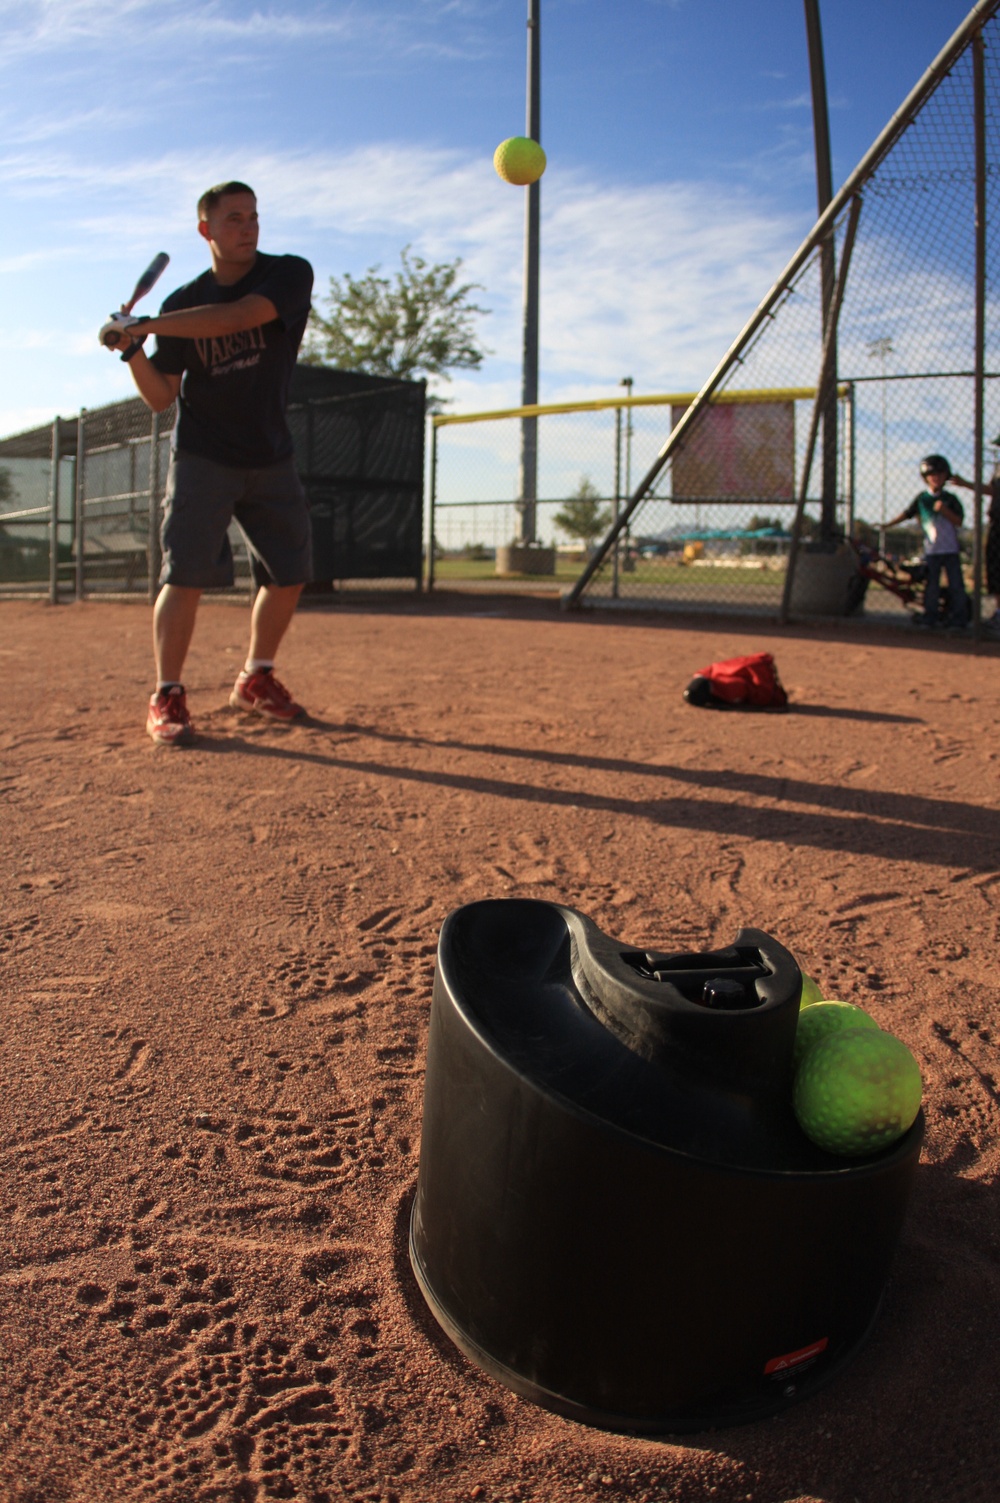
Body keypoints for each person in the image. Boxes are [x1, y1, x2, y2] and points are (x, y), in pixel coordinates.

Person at [99, 181, 314, 746]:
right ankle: (167, 692)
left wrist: (143, 325)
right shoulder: (177, 305)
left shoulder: (287, 274)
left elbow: (237, 318)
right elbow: (160, 397)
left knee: (289, 574)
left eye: (254, 217)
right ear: (207, 231)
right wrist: (132, 351)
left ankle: (255, 676)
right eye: (234, 218)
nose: (247, 227)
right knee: (186, 574)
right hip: (203, 454)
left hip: (270, 451)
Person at [884, 454, 968, 631]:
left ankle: (959, 619)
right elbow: (907, 513)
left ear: (946, 476)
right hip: (932, 550)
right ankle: (931, 616)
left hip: (950, 549)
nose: (935, 478)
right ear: (925, 478)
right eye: (931, 475)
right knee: (932, 586)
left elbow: (959, 521)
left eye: (939, 474)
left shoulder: (950, 499)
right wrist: (887, 525)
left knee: (956, 585)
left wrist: (944, 510)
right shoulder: (922, 499)